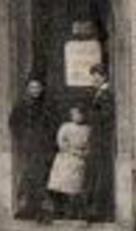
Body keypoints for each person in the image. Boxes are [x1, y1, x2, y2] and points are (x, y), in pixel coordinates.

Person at [9, 78, 60, 221]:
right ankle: (28, 208)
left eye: (38, 87)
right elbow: (13, 123)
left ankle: (41, 210)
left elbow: (53, 124)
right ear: (27, 89)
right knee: (29, 176)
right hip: (28, 147)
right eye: (32, 87)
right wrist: (22, 138)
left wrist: (48, 140)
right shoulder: (21, 105)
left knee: (42, 177)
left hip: (43, 147)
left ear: (42, 89)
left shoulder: (46, 105)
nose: (35, 90)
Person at [47, 106, 91, 220]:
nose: (78, 116)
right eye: (75, 114)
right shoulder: (65, 127)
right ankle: (60, 211)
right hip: (65, 158)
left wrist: (84, 153)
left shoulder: (87, 129)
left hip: (79, 160)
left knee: (76, 188)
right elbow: (61, 142)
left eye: (80, 114)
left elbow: (89, 146)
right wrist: (71, 151)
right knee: (61, 186)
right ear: (71, 115)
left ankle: (73, 212)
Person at [84, 65, 116, 223]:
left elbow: (106, 117)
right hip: (98, 140)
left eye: (96, 76)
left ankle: (100, 211)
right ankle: (96, 210)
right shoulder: (100, 93)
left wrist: (91, 116)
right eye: (93, 76)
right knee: (96, 175)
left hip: (102, 141)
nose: (94, 79)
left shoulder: (106, 94)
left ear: (104, 77)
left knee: (101, 176)